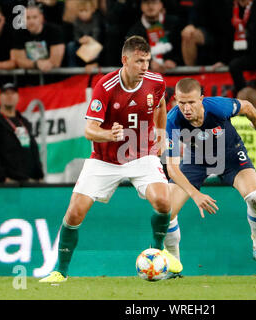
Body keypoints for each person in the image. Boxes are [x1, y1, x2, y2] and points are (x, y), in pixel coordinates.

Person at [39, 35, 182, 283]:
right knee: (74, 214)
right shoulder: (105, 86)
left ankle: (156, 253)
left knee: (163, 202)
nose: (144, 67)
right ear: (124, 60)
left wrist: (160, 135)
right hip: (104, 160)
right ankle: (60, 271)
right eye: (139, 61)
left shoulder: (156, 81)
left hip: (142, 154)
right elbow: (89, 130)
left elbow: (160, 106)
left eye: (147, 61)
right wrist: (108, 133)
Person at [164, 78, 256, 277]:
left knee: (255, 198)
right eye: (182, 103)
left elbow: (247, 106)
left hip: (231, 155)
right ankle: (174, 266)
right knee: (166, 212)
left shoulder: (218, 107)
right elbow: (172, 169)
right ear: (175, 100)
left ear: (202, 99)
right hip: (196, 159)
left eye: (191, 102)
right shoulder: (172, 120)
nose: (186, 108)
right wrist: (195, 195)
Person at [0, 83, 44, 183]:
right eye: (6, 93)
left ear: (18, 97)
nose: (9, 96)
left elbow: (33, 149)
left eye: (13, 93)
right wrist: (2, 179)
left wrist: (39, 175)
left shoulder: (24, 122)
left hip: (29, 183)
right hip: (8, 185)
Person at [126, 0, 183, 74]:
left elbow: (182, 48)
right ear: (141, 6)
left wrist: (175, 60)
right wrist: (148, 62)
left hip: (175, 74)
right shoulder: (134, 31)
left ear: (161, 5)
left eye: (154, 2)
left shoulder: (175, 23)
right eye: (146, 2)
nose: (150, 6)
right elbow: (130, 55)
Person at [12, 3, 65, 72]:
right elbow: (19, 62)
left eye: (35, 17)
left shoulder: (55, 31)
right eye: (27, 18)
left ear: (42, 18)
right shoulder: (18, 34)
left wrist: (31, 64)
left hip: (53, 76)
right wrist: (36, 64)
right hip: (29, 78)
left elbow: (55, 62)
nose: (31, 21)